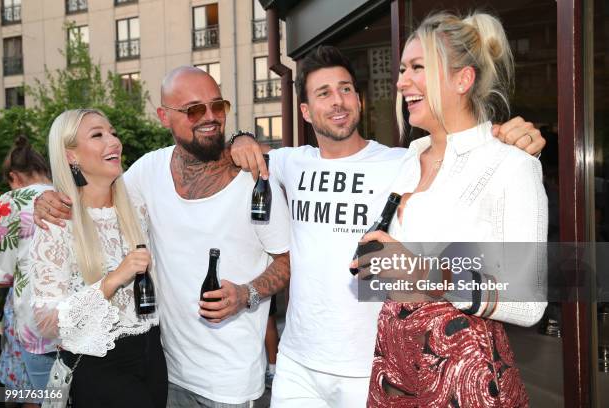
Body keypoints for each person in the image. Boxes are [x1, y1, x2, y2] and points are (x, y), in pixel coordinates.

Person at [229, 45, 546, 407]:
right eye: (324, 93)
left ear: (359, 100)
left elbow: (464, 156)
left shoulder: (404, 162)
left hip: (374, 363)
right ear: (305, 111)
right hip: (298, 363)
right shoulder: (290, 163)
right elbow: (236, 156)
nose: (338, 101)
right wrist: (240, 138)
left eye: (346, 89)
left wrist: (511, 140)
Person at [34, 67, 291, 407]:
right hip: (164, 369)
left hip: (227, 381)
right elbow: (92, 195)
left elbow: (287, 260)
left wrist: (247, 293)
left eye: (218, 106)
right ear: (164, 117)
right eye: (194, 109)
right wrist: (41, 199)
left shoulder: (255, 181)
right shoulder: (147, 173)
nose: (210, 117)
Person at [355, 11, 548, 406]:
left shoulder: (510, 164)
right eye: (402, 69)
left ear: (463, 79)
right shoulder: (407, 162)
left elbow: (530, 302)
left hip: (464, 381)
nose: (401, 81)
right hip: (397, 371)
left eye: (417, 67)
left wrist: (415, 269)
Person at [29, 109, 167, 407]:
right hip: (99, 366)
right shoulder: (57, 222)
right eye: (97, 135)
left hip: (153, 353)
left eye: (112, 132)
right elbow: (47, 323)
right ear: (70, 156)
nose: (113, 141)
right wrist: (112, 280)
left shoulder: (136, 208)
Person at [0, 136, 52, 408]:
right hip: (70, 309)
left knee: (30, 390)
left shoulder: (11, 201)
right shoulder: (69, 193)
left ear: (13, 177)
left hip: (29, 312)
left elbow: (3, 274)